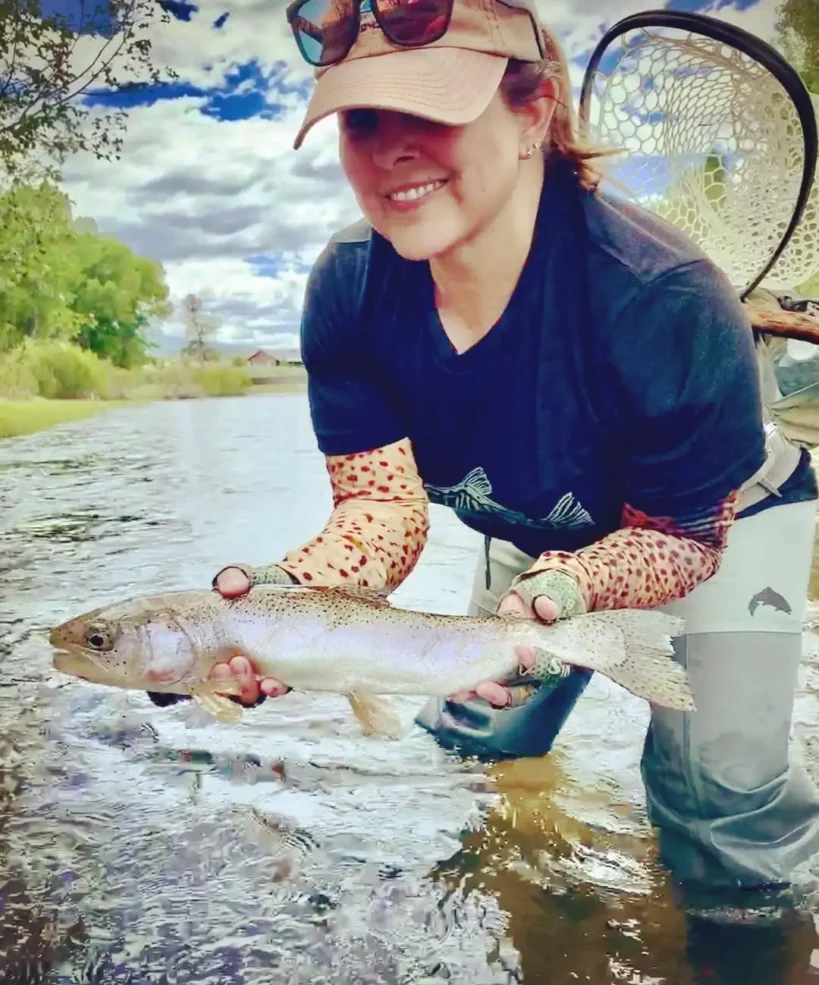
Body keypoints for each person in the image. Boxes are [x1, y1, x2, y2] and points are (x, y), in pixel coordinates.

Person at [151, 0, 819, 904]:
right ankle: (516, 915)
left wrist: (568, 593)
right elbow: (381, 509)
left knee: (720, 800)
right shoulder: (349, 286)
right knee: (472, 733)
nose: (391, 149)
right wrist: (282, 598)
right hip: (537, 522)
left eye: (431, 109)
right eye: (363, 117)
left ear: (531, 111)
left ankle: (746, 971)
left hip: (722, 520)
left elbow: (682, 533)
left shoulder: (663, 297)